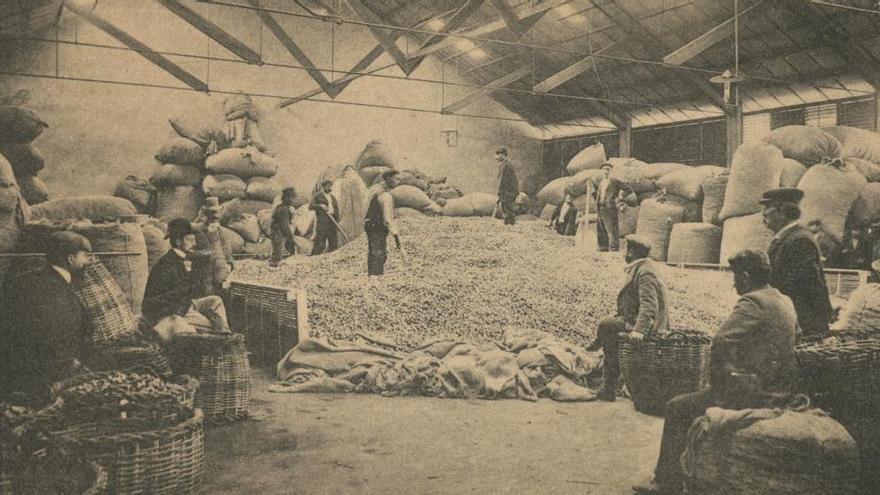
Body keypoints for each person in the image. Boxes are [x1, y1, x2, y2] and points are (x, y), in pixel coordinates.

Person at [633, 249, 800, 494]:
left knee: (676, 407)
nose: (734, 284)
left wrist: (719, 389)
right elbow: (797, 338)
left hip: (755, 391)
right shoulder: (784, 300)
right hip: (781, 389)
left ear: (744, 275)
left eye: (735, 277)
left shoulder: (753, 301)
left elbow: (721, 340)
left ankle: (666, 482)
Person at [0, 232, 92, 405]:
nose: (88, 262)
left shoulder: (22, 280)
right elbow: (59, 340)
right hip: (41, 381)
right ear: (71, 259)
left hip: (9, 375)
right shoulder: (61, 293)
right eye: (85, 256)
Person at [586, 234, 669, 401]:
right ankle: (608, 385)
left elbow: (649, 306)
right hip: (633, 321)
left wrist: (639, 331)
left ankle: (608, 386)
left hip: (649, 327)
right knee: (610, 328)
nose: (624, 254)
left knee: (607, 325)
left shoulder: (645, 273)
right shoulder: (640, 268)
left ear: (632, 252)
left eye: (627, 250)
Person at [142, 219, 231, 341]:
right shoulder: (167, 264)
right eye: (190, 240)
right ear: (179, 242)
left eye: (194, 239)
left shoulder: (182, 259)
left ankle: (222, 336)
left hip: (185, 304)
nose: (194, 243)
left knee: (216, 301)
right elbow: (171, 298)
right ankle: (222, 343)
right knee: (217, 326)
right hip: (171, 311)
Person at [760, 188, 833, 337]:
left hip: (801, 324)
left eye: (768, 207)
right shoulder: (788, 237)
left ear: (782, 212)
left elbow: (808, 286)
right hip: (789, 319)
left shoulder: (799, 240)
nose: (764, 213)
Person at [364, 170, 401, 276]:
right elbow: (388, 219)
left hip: (371, 224)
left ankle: (373, 276)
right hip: (376, 226)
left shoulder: (377, 189)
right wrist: (396, 235)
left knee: (375, 252)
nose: (398, 182)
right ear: (388, 179)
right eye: (396, 179)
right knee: (379, 253)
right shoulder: (385, 196)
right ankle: (375, 278)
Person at [594, 162, 635, 252]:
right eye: (604, 169)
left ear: (611, 171)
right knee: (601, 228)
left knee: (612, 229)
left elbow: (629, 189)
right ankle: (603, 248)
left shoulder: (615, 181)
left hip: (610, 208)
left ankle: (614, 249)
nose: (606, 171)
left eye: (608, 169)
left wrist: (620, 197)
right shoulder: (601, 182)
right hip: (601, 207)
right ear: (601, 171)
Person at [310, 180, 340, 255]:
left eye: (330, 186)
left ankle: (332, 259)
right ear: (323, 186)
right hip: (323, 221)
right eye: (327, 186)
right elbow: (310, 206)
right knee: (320, 241)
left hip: (332, 221)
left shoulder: (332, 197)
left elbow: (336, 209)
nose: (328, 187)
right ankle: (314, 257)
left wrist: (336, 219)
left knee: (333, 242)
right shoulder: (317, 195)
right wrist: (320, 206)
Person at [270, 187, 298, 266]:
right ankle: (273, 266)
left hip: (282, 232)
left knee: (291, 247)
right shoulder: (283, 209)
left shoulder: (285, 208)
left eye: (293, 198)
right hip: (279, 232)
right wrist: (291, 236)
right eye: (291, 198)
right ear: (285, 198)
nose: (292, 200)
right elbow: (284, 225)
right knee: (277, 252)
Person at [495, 147, 519, 226]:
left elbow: (502, 180)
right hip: (508, 191)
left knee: (507, 207)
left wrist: (499, 192)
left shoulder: (506, 165)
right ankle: (508, 224)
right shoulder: (505, 164)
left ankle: (510, 225)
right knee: (506, 207)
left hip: (508, 192)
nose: (496, 157)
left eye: (498, 154)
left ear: (503, 155)